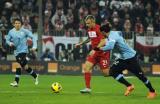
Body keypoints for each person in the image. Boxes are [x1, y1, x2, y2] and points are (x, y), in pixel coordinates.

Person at [96, 23, 156, 99]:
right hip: (122, 58)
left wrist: (100, 49)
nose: (101, 34)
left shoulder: (112, 36)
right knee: (112, 72)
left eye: (101, 33)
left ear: (103, 32)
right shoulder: (114, 33)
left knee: (141, 77)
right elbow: (120, 33)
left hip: (131, 58)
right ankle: (129, 86)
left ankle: (152, 91)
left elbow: (110, 46)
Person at [75, 15, 110, 93]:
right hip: (95, 53)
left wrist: (95, 49)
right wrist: (81, 43)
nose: (87, 25)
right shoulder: (89, 29)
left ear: (93, 22)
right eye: (86, 23)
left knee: (106, 74)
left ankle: (117, 71)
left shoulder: (99, 29)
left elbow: (103, 41)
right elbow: (89, 38)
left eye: (88, 23)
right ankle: (88, 88)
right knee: (86, 67)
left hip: (103, 53)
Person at [6, 18, 39, 87]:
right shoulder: (11, 32)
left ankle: (16, 82)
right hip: (16, 52)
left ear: (21, 24)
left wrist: (34, 47)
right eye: (16, 23)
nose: (17, 24)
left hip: (24, 51)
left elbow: (33, 37)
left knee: (18, 64)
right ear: (13, 24)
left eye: (19, 23)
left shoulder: (25, 31)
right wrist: (10, 43)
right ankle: (35, 76)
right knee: (25, 67)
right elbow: (7, 40)